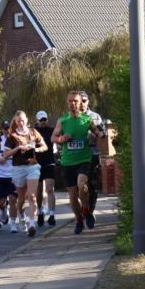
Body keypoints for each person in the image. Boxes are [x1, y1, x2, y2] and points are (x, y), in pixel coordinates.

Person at [52, 90, 102, 235]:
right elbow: (53, 138)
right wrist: (62, 139)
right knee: (73, 198)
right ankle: (79, 219)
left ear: (81, 103)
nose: (73, 103)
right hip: (67, 162)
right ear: (67, 104)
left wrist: (99, 135)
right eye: (70, 101)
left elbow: (97, 132)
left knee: (82, 184)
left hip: (84, 159)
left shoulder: (87, 119)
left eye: (75, 101)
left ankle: (86, 210)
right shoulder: (62, 121)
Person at [2, 111, 47, 238]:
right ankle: (21, 215)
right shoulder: (12, 136)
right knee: (20, 199)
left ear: (27, 120)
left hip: (32, 166)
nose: (20, 123)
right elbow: (5, 155)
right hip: (18, 168)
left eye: (22, 120)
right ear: (15, 122)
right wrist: (18, 148)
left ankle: (32, 224)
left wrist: (35, 149)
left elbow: (44, 146)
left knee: (32, 196)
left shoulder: (33, 132)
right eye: (18, 121)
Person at [79, 91, 105, 221]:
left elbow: (102, 133)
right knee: (81, 185)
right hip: (77, 155)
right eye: (80, 101)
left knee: (92, 184)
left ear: (88, 101)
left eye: (84, 100)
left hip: (92, 152)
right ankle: (84, 208)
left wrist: (96, 133)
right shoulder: (72, 117)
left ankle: (90, 211)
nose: (82, 103)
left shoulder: (95, 116)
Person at [33, 110, 57, 227]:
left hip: (49, 162)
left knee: (49, 189)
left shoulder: (52, 130)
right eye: (41, 120)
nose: (43, 122)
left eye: (45, 119)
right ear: (37, 120)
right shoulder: (33, 132)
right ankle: (40, 212)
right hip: (37, 163)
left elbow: (58, 138)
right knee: (38, 190)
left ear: (47, 119)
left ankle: (52, 215)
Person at [0, 123, 17, 232]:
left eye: (9, 128)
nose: (7, 130)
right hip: (0, 175)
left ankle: (13, 225)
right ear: (2, 130)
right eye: (5, 129)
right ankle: (3, 210)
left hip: (13, 174)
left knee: (13, 199)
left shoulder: (16, 139)